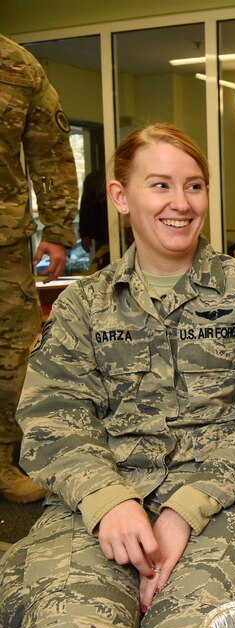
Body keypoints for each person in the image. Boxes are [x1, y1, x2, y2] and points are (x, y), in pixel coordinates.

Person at [0, 123, 235, 628]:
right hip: (94, 509)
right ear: (121, 196)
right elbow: (53, 421)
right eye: (161, 185)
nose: (182, 204)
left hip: (228, 508)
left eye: (195, 186)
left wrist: (185, 510)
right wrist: (109, 503)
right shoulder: (82, 306)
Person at [0, 34, 79, 504]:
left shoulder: (16, 66)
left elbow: (49, 150)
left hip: (5, 241)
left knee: (14, 357)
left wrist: (58, 226)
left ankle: (6, 461)